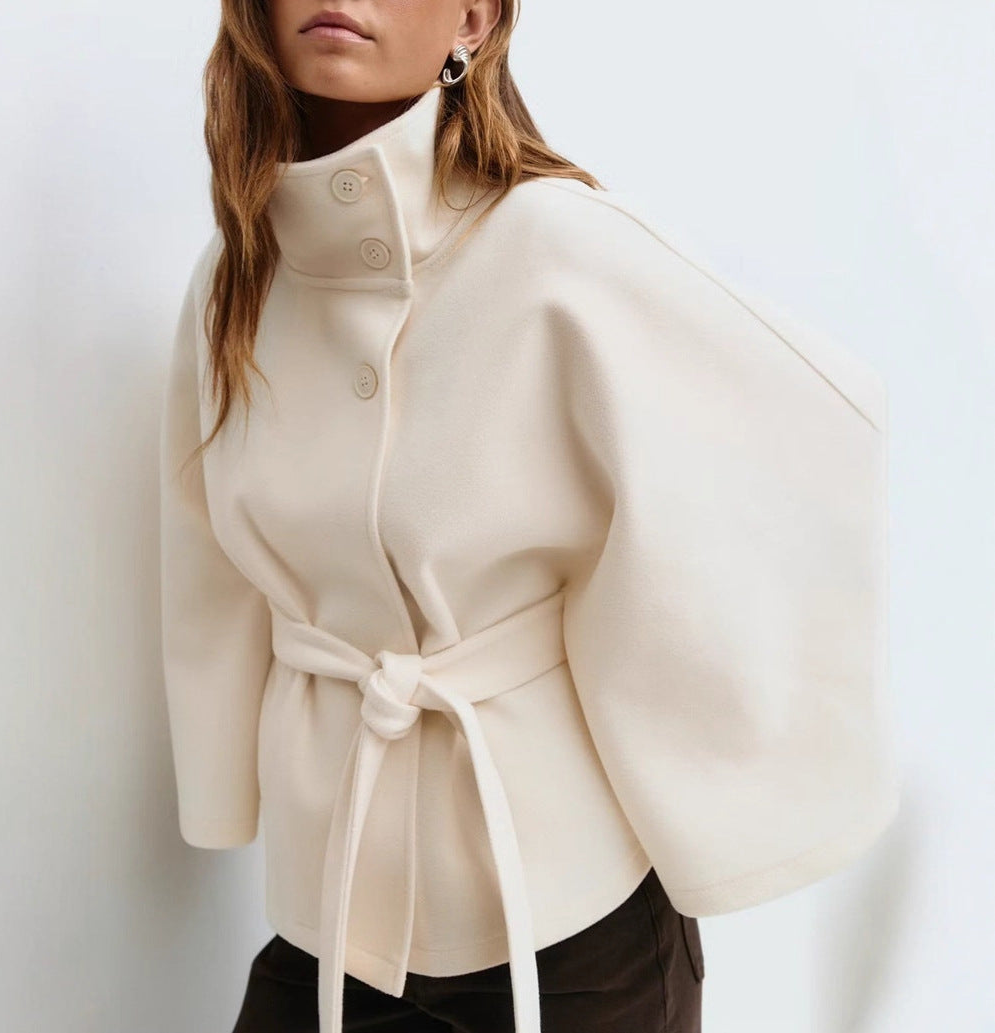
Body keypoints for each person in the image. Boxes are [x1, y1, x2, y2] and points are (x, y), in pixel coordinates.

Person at [158, 1, 903, 1031]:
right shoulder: (233, 278)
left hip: (569, 924)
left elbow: (806, 420)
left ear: (473, 18)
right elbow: (204, 557)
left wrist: (704, 763)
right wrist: (220, 786)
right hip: (330, 907)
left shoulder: (554, 243)